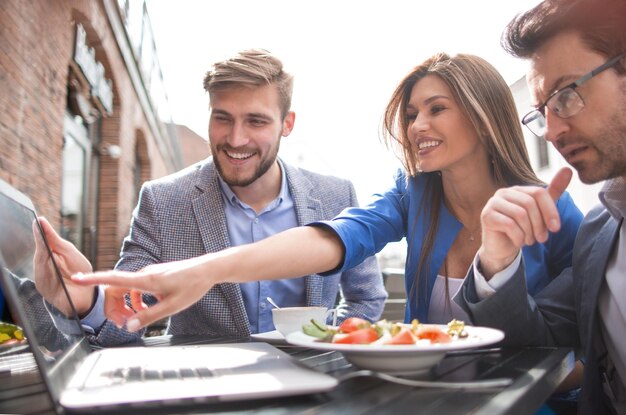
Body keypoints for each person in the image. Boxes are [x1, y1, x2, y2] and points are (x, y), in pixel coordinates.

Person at [71, 52, 583, 332]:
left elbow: (576, 342)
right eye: (410, 114)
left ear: (482, 113)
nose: (416, 126)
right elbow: (333, 239)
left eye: (436, 108)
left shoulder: (555, 212)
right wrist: (206, 270)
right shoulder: (414, 194)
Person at [40, 49, 387, 344]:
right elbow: (128, 316)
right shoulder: (162, 201)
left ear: (287, 124)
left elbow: (366, 297)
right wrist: (85, 301)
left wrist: (331, 347)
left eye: (256, 121)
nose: (236, 139)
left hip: (316, 387)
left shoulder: (336, 195)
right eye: (223, 118)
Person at [447, 0, 625, 413]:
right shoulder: (599, 235)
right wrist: (497, 259)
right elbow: (531, 345)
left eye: (566, 95)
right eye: (543, 111)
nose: (552, 131)